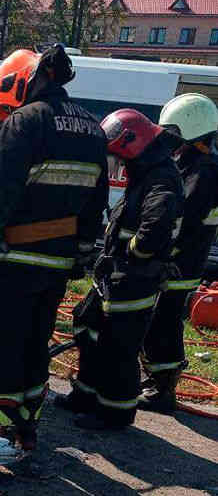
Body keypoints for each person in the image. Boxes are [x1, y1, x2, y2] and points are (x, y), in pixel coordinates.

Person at [0, 45, 108, 450]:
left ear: (22, 83)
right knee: (36, 346)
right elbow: (96, 202)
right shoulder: (92, 128)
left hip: (12, 260)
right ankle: (28, 427)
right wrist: (82, 255)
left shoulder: (24, 122)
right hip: (55, 266)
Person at [58, 109, 183, 431]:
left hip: (134, 280)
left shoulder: (161, 178)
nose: (115, 164)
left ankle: (115, 413)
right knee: (88, 326)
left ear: (131, 144)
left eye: (117, 156)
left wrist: (128, 254)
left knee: (119, 348)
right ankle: (85, 395)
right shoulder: (146, 171)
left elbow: (154, 230)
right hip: (116, 277)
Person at [139, 93, 218, 414]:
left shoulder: (204, 171)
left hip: (179, 262)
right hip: (184, 259)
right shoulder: (198, 164)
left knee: (163, 322)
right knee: (161, 320)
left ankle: (162, 389)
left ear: (190, 129)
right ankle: (157, 381)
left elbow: (181, 219)